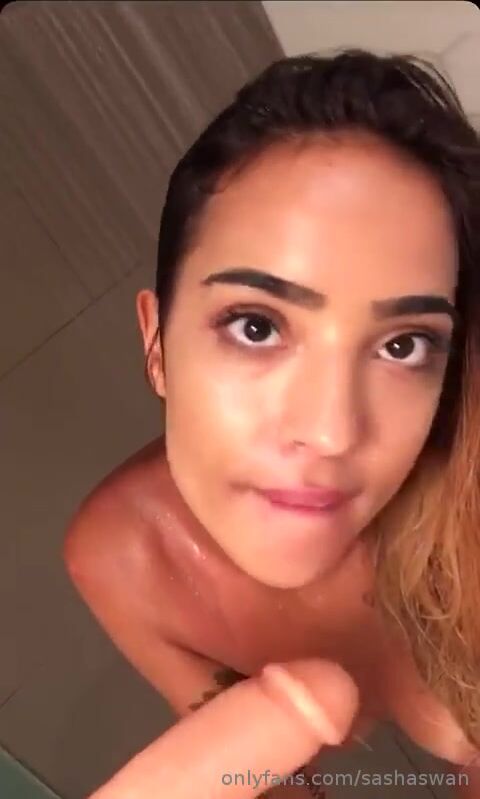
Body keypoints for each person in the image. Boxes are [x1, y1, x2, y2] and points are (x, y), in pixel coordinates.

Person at [63, 48, 480, 797]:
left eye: (403, 345)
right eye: (256, 326)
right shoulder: (122, 558)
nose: (331, 432)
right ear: (157, 345)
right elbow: (257, 769)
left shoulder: (465, 497)